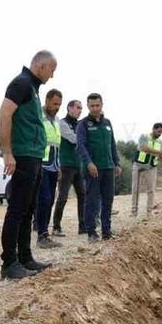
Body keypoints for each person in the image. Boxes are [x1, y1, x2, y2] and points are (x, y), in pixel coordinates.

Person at [0, 51, 57, 280]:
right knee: (17, 210)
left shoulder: (32, 88)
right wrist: (7, 153)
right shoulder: (21, 84)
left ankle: (25, 257)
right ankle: (9, 263)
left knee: (28, 209)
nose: (52, 75)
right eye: (51, 70)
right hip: (23, 155)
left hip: (34, 156)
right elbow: (4, 115)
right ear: (40, 66)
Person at [75, 93, 122, 242]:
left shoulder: (107, 123)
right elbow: (80, 146)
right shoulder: (83, 124)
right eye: (92, 106)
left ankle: (106, 231)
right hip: (93, 170)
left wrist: (117, 163)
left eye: (97, 105)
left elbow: (112, 144)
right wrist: (89, 163)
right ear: (88, 106)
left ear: (102, 105)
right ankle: (91, 233)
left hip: (108, 168)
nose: (95, 108)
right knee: (92, 202)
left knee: (108, 200)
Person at [53, 99, 87, 237]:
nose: (80, 110)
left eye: (81, 108)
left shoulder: (79, 124)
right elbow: (74, 139)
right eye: (78, 107)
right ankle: (56, 227)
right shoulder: (62, 123)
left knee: (82, 195)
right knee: (63, 196)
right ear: (69, 108)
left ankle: (82, 226)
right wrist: (85, 138)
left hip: (78, 165)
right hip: (66, 165)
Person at [35, 89, 63, 248]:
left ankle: (44, 233)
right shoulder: (38, 116)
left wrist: (59, 166)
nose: (57, 107)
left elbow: (57, 144)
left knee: (50, 199)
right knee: (44, 199)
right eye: (55, 104)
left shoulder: (56, 120)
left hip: (53, 165)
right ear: (46, 100)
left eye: (59, 104)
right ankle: (41, 235)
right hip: (41, 165)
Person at [131, 122, 162, 219]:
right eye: (159, 131)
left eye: (161, 132)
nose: (160, 134)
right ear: (153, 129)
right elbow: (144, 148)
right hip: (138, 164)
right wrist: (160, 152)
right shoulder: (144, 137)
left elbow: (160, 157)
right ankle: (134, 211)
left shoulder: (160, 142)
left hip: (152, 166)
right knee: (135, 188)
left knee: (151, 190)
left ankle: (149, 212)